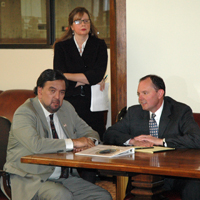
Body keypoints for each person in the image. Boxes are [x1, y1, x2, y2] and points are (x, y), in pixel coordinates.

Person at [3, 69, 112, 200]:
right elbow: (36, 145)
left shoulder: (66, 108)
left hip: (64, 177)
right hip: (31, 179)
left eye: (62, 92)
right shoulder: (25, 112)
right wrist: (74, 142)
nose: (57, 97)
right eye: (52, 91)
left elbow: (90, 132)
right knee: (61, 195)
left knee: (102, 196)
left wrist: (89, 142)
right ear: (40, 91)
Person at [103, 74, 200, 200]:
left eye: (145, 93)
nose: (140, 98)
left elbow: (196, 138)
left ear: (160, 94)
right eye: (139, 94)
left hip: (175, 175)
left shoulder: (180, 111)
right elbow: (109, 134)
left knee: (194, 188)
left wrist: (161, 141)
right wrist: (132, 141)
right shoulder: (134, 112)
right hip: (142, 175)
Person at [53, 7, 108, 142]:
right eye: (78, 21)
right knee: (72, 142)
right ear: (71, 26)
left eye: (86, 21)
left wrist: (70, 76)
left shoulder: (99, 45)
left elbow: (97, 75)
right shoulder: (62, 46)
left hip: (93, 104)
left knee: (94, 142)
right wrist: (86, 78)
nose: (83, 24)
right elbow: (59, 75)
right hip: (70, 101)